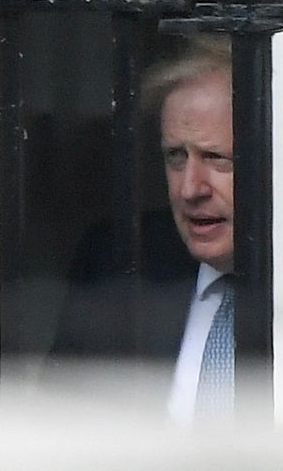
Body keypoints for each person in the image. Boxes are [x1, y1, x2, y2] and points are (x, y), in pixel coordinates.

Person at [48, 38, 241, 424]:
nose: (190, 189)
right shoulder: (118, 261)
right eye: (176, 157)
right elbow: (54, 433)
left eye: (216, 159)